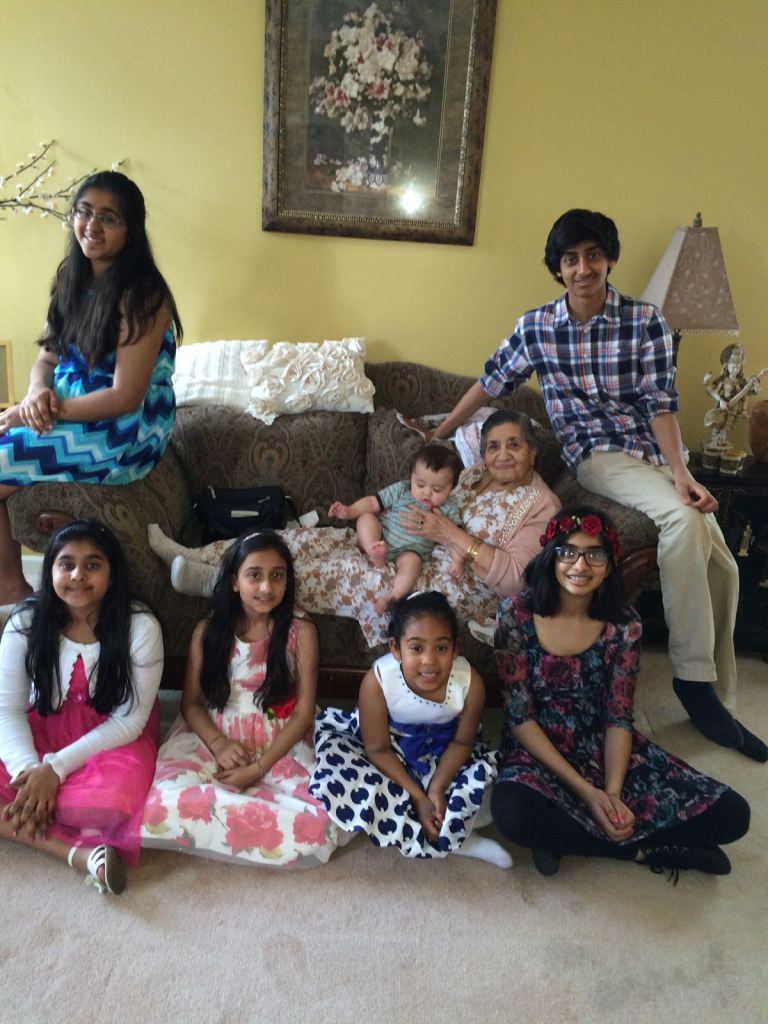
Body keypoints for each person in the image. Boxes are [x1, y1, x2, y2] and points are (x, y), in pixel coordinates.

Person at [429, 209, 766, 761]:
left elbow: (660, 405)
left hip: (651, 454)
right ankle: (693, 682)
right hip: (597, 455)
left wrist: (681, 473)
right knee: (684, 520)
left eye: (592, 256)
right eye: (570, 259)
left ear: (608, 259)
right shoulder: (538, 327)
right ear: (558, 268)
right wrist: (442, 431)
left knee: (720, 560)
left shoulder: (646, 321)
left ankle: (716, 694)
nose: (582, 268)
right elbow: (490, 381)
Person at [147, 409, 561, 647]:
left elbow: (517, 579)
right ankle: (193, 554)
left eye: (514, 444)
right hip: (394, 541)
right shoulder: (472, 476)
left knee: (334, 573)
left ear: (533, 450)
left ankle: (218, 582)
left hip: (439, 580)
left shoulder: (540, 504)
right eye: (493, 446)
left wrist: (448, 536)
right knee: (298, 540)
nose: (502, 454)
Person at [491, 508, 751, 880]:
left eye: (594, 554)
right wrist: (588, 793)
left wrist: (611, 794)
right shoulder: (515, 614)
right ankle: (641, 850)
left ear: (610, 564)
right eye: (568, 552)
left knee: (734, 815)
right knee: (513, 815)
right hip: (535, 747)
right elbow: (519, 718)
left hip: (601, 744)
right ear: (551, 557)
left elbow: (618, 717)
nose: (580, 565)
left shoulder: (625, 625)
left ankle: (564, 835)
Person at [0, 170, 182, 605]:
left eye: (108, 217)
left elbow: (125, 396)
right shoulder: (71, 277)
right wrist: (35, 394)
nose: (92, 225)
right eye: (84, 212)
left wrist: (39, 412)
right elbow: (48, 358)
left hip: (124, 431)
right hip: (70, 408)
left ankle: (10, 589)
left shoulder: (143, 294)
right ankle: (11, 587)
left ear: (130, 229)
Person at [141, 531, 338, 867]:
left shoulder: (301, 633)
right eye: (254, 575)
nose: (266, 587)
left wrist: (259, 767)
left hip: (280, 740)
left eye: (277, 576)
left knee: (320, 822)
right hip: (215, 735)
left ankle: (243, 812)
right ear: (234, 581)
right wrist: (218, 744)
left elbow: (304, 713)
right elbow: (191, 703)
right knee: (157, 806)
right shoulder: (207, 631)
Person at [0, 520, 163, 895]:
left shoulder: (140, 626)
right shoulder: (25, 620)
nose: (77, 575)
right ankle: (80, 855)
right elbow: (7, 710)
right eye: (66, 564)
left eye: (92, 565)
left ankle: (53, 823)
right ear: (50, 571)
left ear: (112, 574)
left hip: (110, 738)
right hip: (37, 728)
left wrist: (55, 770)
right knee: (30, 793)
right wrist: (30, 773)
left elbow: (129, 721)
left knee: (108, 807)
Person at [310, 591, 511, 866]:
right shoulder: (378, 679)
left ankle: (453, 835)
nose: (429, 661)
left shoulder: (470, 682)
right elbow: (377, 749)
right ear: (395, 648)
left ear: (456, 648)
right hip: (389, 751)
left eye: (441, 648)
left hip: (447, 752)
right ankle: (450, 835)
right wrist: (418, 798)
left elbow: (462, 743)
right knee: (341, 780)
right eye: (416, 648)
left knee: (491, 796)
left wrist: (437, 788)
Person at [328, 443, 464, 613]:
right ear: (411, 477)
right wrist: (349, 511)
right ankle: (374, 551)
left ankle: (392, 597)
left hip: (410, 551)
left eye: (437, 489)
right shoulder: (402, 490)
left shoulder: (449, 507)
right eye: (420, 484)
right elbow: (372, 502)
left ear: (451, 489)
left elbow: (454, 537)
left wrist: (458, 560)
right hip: (381, 535)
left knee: (413, 564)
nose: (427, 492)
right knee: (366, 518)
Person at [702, 344, 766, 451]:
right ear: (727, 366)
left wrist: (756, 383)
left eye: (738, 366)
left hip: (734, 408)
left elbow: (751, 391)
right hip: (721, 406)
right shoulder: (722, 379)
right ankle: (714, 441)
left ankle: (721, 441)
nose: (736, 368)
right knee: (718, 423)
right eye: (733, 365)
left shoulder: (742, 382)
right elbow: (711, 389)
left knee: (728, 424)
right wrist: (720, 400)